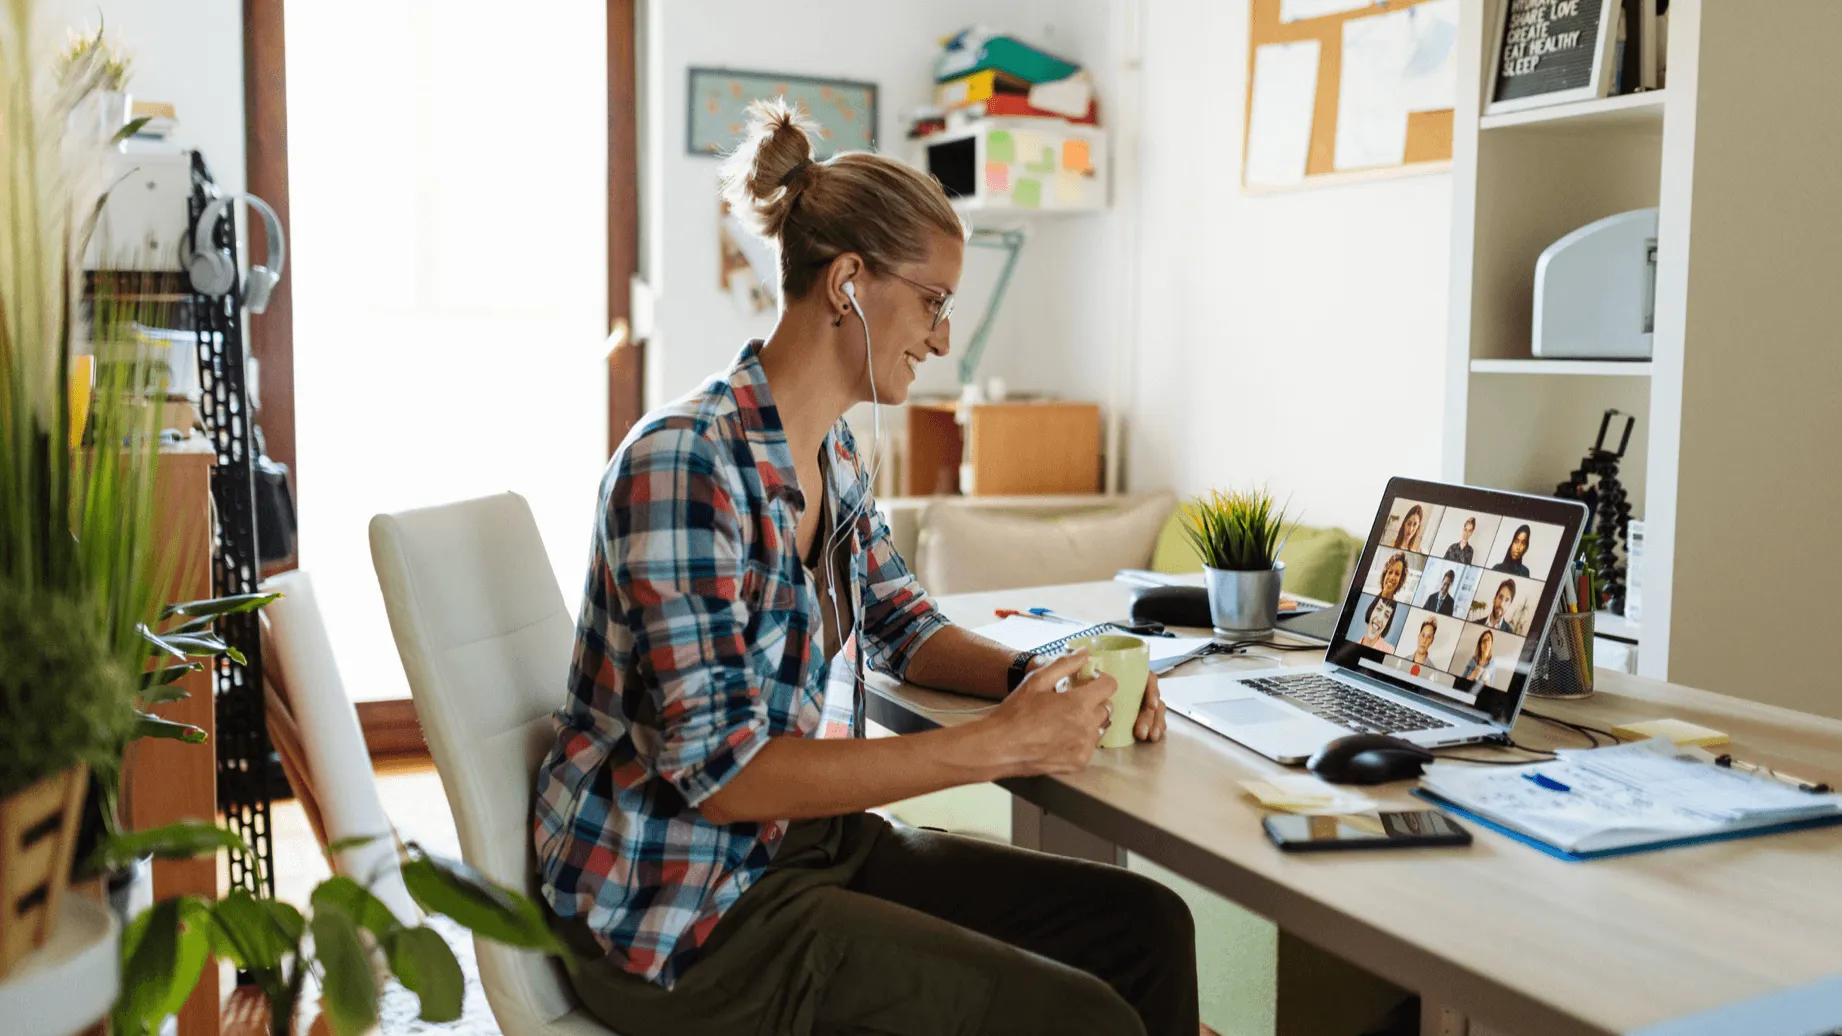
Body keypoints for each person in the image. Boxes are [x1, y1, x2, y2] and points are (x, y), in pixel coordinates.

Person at [531, 102, 1196, 1036]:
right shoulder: (683, 465)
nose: (942, 337)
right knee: (1081, 1018)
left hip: (800, 851)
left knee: (1145, 926)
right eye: (933, 301)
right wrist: (999, 744)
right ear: (848, 283)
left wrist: (1042, 682)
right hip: (680, 908)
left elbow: (905, 629)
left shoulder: (833, 456)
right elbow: (724, 775)